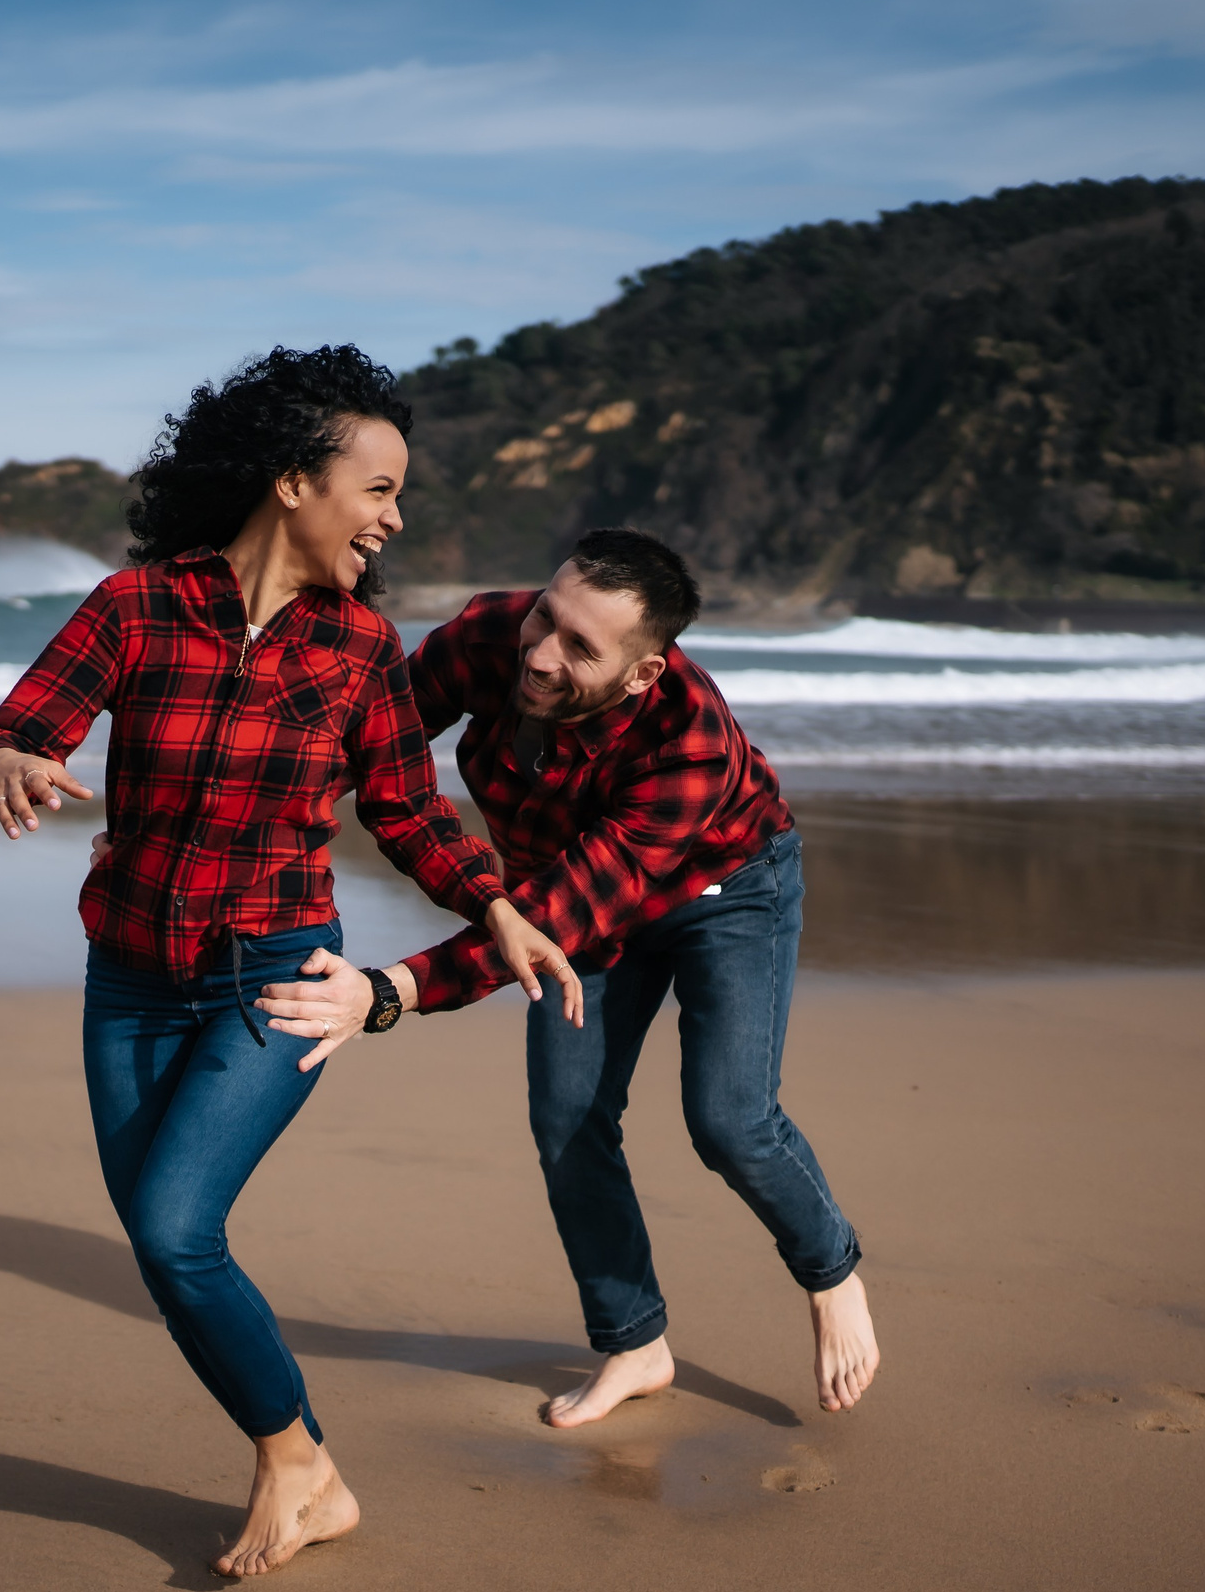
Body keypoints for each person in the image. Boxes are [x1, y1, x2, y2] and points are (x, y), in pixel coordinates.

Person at [0, 345, 580, 1578]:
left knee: (177, 1231)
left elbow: (408, 812)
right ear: (293, 481)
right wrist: (4, 766)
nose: (394, 519)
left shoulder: (360, 651)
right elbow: (11, 733)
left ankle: (295, 1465)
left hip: (275, 975)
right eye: (378, 489)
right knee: (162, 1242)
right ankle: (308, 1469)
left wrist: (495, 907)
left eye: (399, 497)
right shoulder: (134, 609)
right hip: (127, 978)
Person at [253, 528, 880, 1427]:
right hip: (562, 881)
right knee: (569, 1118)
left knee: (729, 1118)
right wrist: (222, 821)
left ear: (642, 672)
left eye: (580, 647)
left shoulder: (686, 739)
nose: (541, 653)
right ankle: (636, 1341)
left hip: (726, 888)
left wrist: (383, 992)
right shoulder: (488, 636)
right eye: (547, 615)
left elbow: (554, 922)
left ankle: (831, 1271)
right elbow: (362, 750)